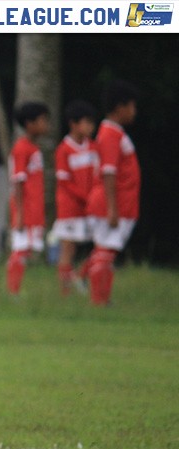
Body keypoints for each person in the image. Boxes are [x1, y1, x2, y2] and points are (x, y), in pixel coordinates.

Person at [84, 80, 140, 307]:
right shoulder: (109, 134)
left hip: (120, 203)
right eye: (132, 105)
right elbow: (108, 172)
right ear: (119, 107)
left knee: (106, 252)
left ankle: (102, 299)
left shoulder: (115, 133)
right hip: (112, 204)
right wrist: (112, 208)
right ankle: (98, 300)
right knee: (106, 251)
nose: (134, 111)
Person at [52, 100, 98, 296]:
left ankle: (81, 276)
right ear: (73, 124)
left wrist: (94, 197)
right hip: (70, 208)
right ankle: (66, 293)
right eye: (87, 122)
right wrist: (86, 197)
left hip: (90, 206)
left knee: (100, 244)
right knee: (68, 249)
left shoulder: (93, 147)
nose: (91, 127)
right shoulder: (64, 150)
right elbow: (65, 183)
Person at [5, 101, 49, 296]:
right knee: (21, 249)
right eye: (43, 120)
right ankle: (13, 291)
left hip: (34, 209)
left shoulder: (34, 148)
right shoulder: (22, 148)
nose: (46, 125)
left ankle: (14, 290)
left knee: (26, 250)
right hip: (26, 209)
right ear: (30, 124)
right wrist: (20, 214)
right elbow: (18, 181)